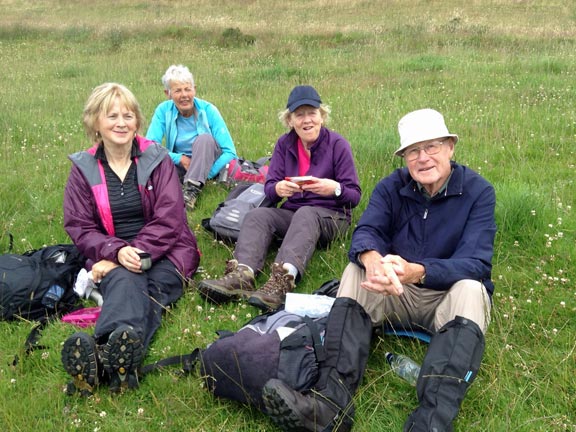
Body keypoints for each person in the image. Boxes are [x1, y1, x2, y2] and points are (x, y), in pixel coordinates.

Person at [261, 108, 497, 432]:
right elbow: (366, 231)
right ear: (404, 157)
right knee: (355, 271)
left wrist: (418, 271)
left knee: (474, 289)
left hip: (444, 298)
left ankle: (431, 422)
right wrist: (373, 260)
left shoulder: (478, 192)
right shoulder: (392, 186)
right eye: (414, 150)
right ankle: (330, 405)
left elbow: (477, 263)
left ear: (450, 148)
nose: (423, 158)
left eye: (432, 147)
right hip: (390, 292)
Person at [61, 83, 200, 395]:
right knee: (133, 284)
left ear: (137, 121)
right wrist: (115, 251)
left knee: (140, 281)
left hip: (169, 251)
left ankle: (99, 353)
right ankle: (122, 362)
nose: (121, 123)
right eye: (111, 116)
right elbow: (79, 225)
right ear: (95, 122)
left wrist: (133, 252)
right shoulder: (83, 169)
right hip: (112, 255)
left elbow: (170, 218)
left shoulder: (157, 159)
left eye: (128, 115)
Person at [198, 85, 361, 311]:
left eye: (312, 113)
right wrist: (280, 189)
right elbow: (269, 187)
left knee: (306, 213)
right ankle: (241, 275)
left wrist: (334, 189)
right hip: (294, 215)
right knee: (257, 215)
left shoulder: (337, 145)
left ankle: (282, 281)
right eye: (299, 115)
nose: (307, 120)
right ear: (290, 120)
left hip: (332, 217)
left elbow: (354, 196)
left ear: (322, 116)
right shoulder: (284, 145)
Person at [146, 64, 238, 210]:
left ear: (194, 89)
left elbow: (230, 152)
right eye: (177, 90)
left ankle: (190, 194)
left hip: (210, 166)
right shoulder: (163, 110)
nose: (184, 95)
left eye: (188, 89)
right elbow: (149, 147)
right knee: (152, 168)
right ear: (168, 93)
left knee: (204, 139)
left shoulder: (209, 110)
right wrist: (179, 159)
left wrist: (206, 174)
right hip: (181, 165)